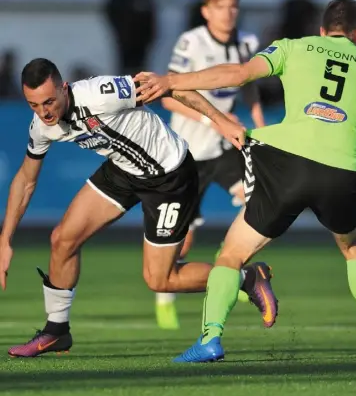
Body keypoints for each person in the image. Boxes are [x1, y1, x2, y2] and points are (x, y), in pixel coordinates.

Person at [134, 0, 356, 363]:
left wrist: (173, 80)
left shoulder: (292, 47)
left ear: (322, 30)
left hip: (285, 165)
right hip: (340, 172)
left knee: (232, 255)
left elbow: (237, 75)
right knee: (355, 247)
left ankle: (211, 339)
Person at [0, 58, 277, 358]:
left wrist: (219, 121)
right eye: (34, 105)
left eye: (50, 101)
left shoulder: (101, 93)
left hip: (169, 175)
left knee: (160, 280)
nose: (44, 112)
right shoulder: (42, 126)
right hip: (123, 170)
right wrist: (5, 239)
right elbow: (26, 179)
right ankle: (56, 331)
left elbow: (169, 87)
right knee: (63, 239)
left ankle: (247, 278)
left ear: (64, 88)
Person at [155, 0, 266, 330]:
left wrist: (261, 129)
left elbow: (251, 90)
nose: (228, 12)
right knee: (183, 238)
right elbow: (168, 96)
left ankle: (229, 258)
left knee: (261, 201)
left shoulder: (247, 43)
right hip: (185, 152)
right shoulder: (191, 42)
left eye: (233, 6)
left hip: (222, 150)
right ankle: (164, 296)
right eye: (221, 7)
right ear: (206, 11)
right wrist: (211, 119)